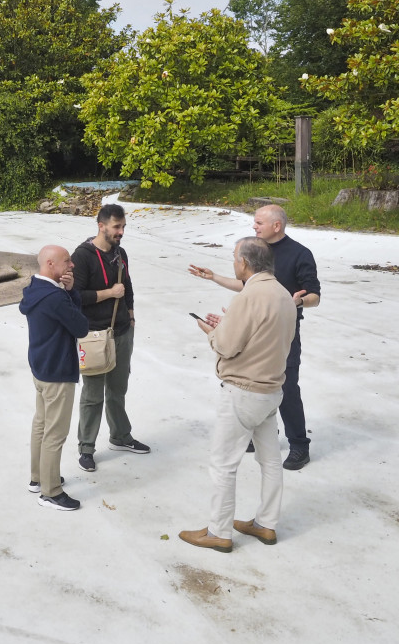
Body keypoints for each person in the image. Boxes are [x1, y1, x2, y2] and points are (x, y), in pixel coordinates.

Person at [179, 237, 297, 552]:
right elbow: (264, 335)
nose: (234, 263)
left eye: (234, 258)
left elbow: (227, 346)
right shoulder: (284, 294)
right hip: (272, 390)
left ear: (244, 263)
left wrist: (213, 331)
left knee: (223, 464)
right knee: (270, 460)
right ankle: (265, 524)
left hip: (243, 391)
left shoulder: (248, 296)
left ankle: (219, 532)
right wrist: (229, 324)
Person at [188, 203, 320, 470]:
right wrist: (214, 277)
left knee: (287, 387)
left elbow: (315, 296)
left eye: (259, 222)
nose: (254, 226)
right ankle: (258, 433)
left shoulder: (299, 254)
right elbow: (246, 284)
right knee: (250, 379)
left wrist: (297, 303)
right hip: (254, 328)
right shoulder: (259, 250)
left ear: (276, 226)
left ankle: (298, 446)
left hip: (283, 331)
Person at [71, 204, 150, 474]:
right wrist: (109, 293)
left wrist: (131, 315)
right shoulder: (82, 256)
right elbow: (76, 296)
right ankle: (86, 448)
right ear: (101, 225)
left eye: (123, 227)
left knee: (118, 390)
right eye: (117, 227)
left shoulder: (120, 253)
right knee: (92, 395)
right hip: (93, 335)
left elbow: (127, 287)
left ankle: (120, 437)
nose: (121, 232)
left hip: (122, 332)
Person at [19, 244, 89, 511]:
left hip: (41, 368)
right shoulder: (55, 297)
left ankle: (39, 478)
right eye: (67, 261)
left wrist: (67, 292)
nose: (72, 266)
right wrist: (73, 294)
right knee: (55, 433)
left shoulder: (34, 290)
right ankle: (51, 492)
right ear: (50, 264)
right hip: (58, 371)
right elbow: (81, 327)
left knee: (41, 424)